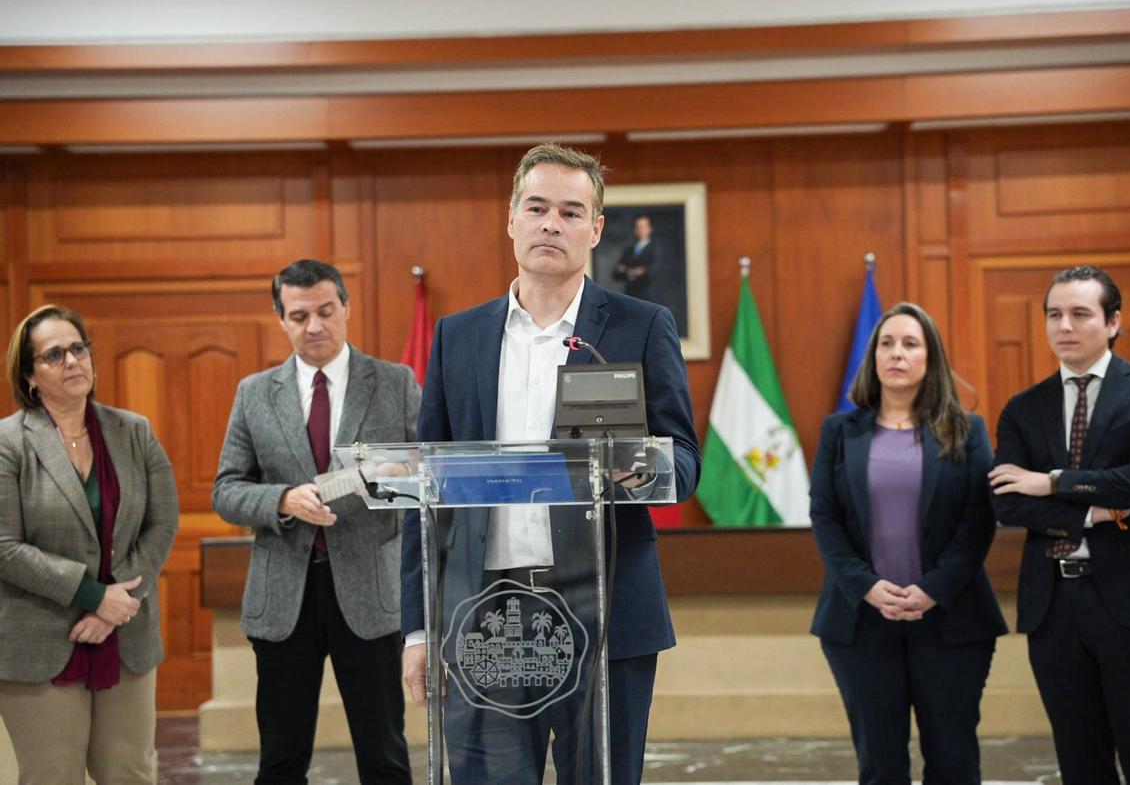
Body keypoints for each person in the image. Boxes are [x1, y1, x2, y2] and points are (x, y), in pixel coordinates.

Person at [400, 143, 701, 784]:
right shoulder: (458, 336)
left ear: (595, 229)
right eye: (536, 208)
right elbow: (428, 489)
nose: (551, 224)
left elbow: (684, 460)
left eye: (571, 211)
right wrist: (418, 630)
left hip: (607, 610)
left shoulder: (642, 325)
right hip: (486, 613)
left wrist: (641, 468)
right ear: (511, 219)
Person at [212, 260, 420, 785]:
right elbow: (226, 491)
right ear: (281, 319)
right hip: (285, 595)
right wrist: (282, 499)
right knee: (281, 762)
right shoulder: (254, 393)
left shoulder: (394, 383)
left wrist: (399, 475)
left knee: (385, 758)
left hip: (370, 594)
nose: (315, 326)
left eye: (326, 311)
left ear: (346, 308)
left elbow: (429, 472)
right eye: (300, 316)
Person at [988, 265, 1130, 785]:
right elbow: (1007, 503)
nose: (1064, 326)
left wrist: (1052, 482)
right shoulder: (1023, 408)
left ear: (1113, 321)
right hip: (1053, 606)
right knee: (1080, 763)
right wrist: (1095, 510)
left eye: (1080, 313)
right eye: (1054, 314)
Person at [809, 302, 1006, 785]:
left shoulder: (967, 431)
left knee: (954, 762)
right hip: (861, 623)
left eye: (910, 344)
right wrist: (867, 586)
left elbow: (977, 521)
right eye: (887, 343)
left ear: (929, 358)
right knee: (880, 766)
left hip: (951, 621)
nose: (897, 353)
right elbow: (825, 517)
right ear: (873, 357)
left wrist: (934, 588)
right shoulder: (839, 432)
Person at [0, 304, 180, 784]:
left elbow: (163, 522)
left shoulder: (134, 431)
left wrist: (116, 605)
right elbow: (4, 546)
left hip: (127, 634)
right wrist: (93, 595)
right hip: (39, 638)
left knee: (130, 772)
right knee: (52, 775)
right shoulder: (8, 443)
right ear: (30, 376)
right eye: (54, 354)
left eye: (78, 348)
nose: (72, 361)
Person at [612, 213, 662, 301]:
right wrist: (635, 271)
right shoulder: (629, 249)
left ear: (649, 229)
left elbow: (651, 272)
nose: (640, 230)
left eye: (643, 227)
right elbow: (616, 273)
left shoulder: (655, 249)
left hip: (648, 296)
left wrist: (628, 271)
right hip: (630, 295)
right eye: (637, 227)